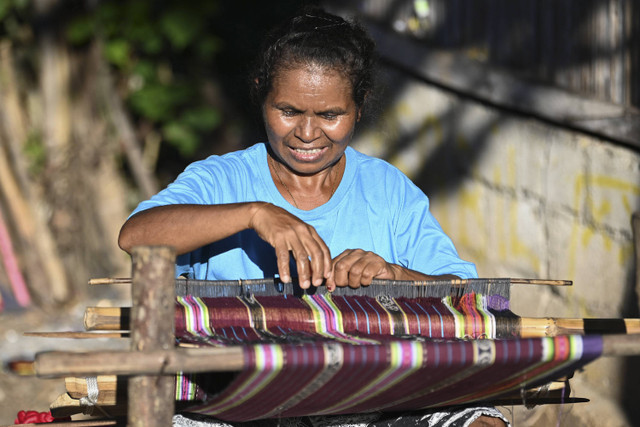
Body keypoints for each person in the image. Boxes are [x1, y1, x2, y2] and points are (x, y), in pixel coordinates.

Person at [119, 8, 508, 427]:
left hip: (368, 406)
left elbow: (471, 300)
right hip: (235, 407)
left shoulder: (388, 191)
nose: (307, 134)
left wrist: (396, 275)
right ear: (260, 95)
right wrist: (254, 214)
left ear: (359, 108)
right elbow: (135, 236)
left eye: (329, 116)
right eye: (288, 111)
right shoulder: (221, 181)